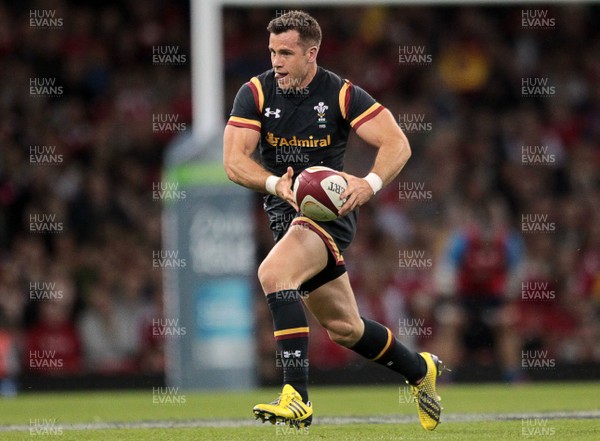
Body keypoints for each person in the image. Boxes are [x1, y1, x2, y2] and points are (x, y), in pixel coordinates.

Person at [223, 10, 446, 431]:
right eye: (272, 52)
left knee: (273, 273)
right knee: (345, 328)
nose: (276, 61)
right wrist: (275, 184)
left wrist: (370, 183)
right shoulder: (254, 93)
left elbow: (397, 143)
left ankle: (297, 398)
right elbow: (233, 161)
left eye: (286, 53)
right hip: (283, 214)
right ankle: (419, 370)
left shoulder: (341, 94)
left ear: (312, 53)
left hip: (327, 213)